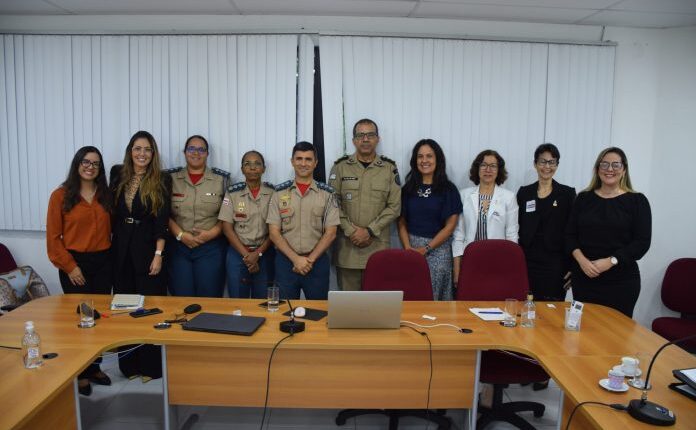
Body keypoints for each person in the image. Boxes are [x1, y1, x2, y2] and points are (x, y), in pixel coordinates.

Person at [46, 146, 113, 396]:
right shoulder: (60, 196)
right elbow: (53, 239)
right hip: (75, 265)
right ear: (77, 164)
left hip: (103, 263)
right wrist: (71, 267)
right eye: (85, 162)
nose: (90, 167)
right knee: (83, 319)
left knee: (100, 319)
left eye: (95, 163)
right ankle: (81, 373)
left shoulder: (106, 195)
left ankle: (95, 367)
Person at [110, 130, 170, 382]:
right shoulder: (117, 174)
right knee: (124, 309)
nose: (142, 154)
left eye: (147, 149)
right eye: (137, 148)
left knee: (149, 310)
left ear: (153, 153)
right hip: (121, 249)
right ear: (130, 151)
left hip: (147, 249)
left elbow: (162, 219)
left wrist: (158, 254)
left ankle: (150, 367)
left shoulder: (162, 179)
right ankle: (129, 366)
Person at [566, 147, 651, 317]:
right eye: (604, 164)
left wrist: (611, 261)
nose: (609, 169)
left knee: (616, 331)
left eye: (615, 165)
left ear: (624, 169)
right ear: (597, 169)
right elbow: (569, 236)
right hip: (585, 278)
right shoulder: (583, 199)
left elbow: (642, 243)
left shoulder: (637, 201)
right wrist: (582, 261)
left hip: (621, 282)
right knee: (584, 329)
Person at [328, 119, 401, 291]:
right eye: (360, 135)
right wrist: (351, 231)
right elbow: (331, 203)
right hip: (348, 249)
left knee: (377, 304)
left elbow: (394, 207)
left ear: (378, 139)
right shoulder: (340, 167)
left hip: (378, 249)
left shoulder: (389, 169)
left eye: (370, 135)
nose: (365, 139)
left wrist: (369, 231)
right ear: (354, 140)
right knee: (349, 304)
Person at [267, 141, 340, 300]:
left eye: (308, 159)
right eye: (299, 159)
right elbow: (274, 233)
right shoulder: (279, 193)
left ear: (315, 163)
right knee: (285, 310)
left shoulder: (327, 194)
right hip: (286, 263)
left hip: (316, 262)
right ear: (292, 161)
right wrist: (296, 259)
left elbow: (331, 233)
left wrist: (309, 260)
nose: (303, 163)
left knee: (319, 310)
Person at [397, 139, 462, 300]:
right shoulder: (407, 189)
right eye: (420, 156)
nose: (424, 160)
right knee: (412, 296)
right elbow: (401, 221)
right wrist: (408, 248)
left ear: (438, 159)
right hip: (411, 249)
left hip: (438, 250)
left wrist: (426, 248)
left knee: (433, 300)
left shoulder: (449, 189)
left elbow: (450, 226)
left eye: (429, 156)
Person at [166, 135, 228, 297]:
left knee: (209, 296)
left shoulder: (221, 180)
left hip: (211, 247)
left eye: (201, 149)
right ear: (184, 152)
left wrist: (211, 234)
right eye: (191, 149)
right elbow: (163, 213)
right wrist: (180, 235)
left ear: (207, 154)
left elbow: (227, 215)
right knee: (182, 297)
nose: (196, 153)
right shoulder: (170, 178)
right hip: (179, 248)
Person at [517, 143, 576, 301]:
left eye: (552, 162)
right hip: (527, 261)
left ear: (557, 165)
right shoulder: (524, 193)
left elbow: (573, 231)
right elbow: (517, 227)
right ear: (535, 164)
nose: (547, 166)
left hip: (556, 263)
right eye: (543, 161)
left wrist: (573, 266)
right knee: (525, 306)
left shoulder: (567, 194)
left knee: (552, 309)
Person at [453, 149, 518, 285]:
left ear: (499, 170)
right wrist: (457, 271)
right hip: (470, 259)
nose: (488, 170)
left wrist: (510, 266)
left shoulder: (509, 197)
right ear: (477, 168)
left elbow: (512, 236)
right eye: (483, 165)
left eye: (493, 166)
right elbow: (459, 235)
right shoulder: (464, 195)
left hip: (498, 260)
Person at [219, 150, 275, 298]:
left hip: (264, 253)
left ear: (264, 169)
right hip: (238, 254)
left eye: (257, 164)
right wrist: (247, 256)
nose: (252, 167)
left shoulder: (273, 193)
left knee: (263, 302)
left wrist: (258, 253)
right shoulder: (232, 193)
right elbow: (227, 228)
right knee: (238, 300)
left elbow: (275, 229)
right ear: (242, 169)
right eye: (247, 164)